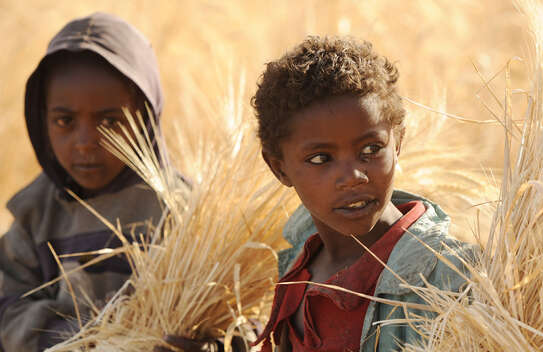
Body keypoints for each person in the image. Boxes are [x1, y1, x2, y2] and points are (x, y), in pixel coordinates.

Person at [163, 36, 475, 352]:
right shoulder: (299, 263)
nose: (353, 176)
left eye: (371, 149)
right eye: (320, 158)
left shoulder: (452, 281)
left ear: (398, 143)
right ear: (279, 169)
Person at [0, 13, 165, 352]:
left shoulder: (178, 211)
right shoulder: (34, 213)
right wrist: (88, 338)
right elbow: (7, 310)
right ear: (40, 119)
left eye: (110, 121)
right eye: (65, 120)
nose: (86, 141)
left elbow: (226, 316)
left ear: (146, 118)